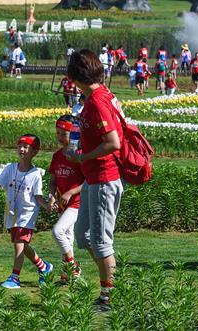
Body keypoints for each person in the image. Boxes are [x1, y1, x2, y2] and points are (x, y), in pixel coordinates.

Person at [62, 49, 124, 308]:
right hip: (93, 178)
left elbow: (113, 143)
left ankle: (109, 295)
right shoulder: (99, 96)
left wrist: (83, 156)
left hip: (103, 177)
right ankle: (109, 279)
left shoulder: (98, 100)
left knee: (100, 241)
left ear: (74, 76)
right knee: (83, 235)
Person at [0, 133, 54, 289]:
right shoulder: (10, 168)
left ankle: (15, 277)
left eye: (26, 147)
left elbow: (38, 196)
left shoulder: (35, 174)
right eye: (20, 146)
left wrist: (46, 205)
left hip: (27, 213)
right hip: (12, 212)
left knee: (19, 243)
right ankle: (44, 267)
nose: (21, 149)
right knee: (21, 244)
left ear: (34, 152)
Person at [48, 115, 85, 282]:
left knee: (58, 232)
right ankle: (68, 274)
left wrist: (70, 193)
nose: (61, 137)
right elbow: (53, 180)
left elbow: (88, 182)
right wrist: (51, 195)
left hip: (77, 202)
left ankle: (72, 266)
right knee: (67, 237)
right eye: (58, 133)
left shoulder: (79, 156)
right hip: (62, 204)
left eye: (65, 134)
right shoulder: (57, 156)